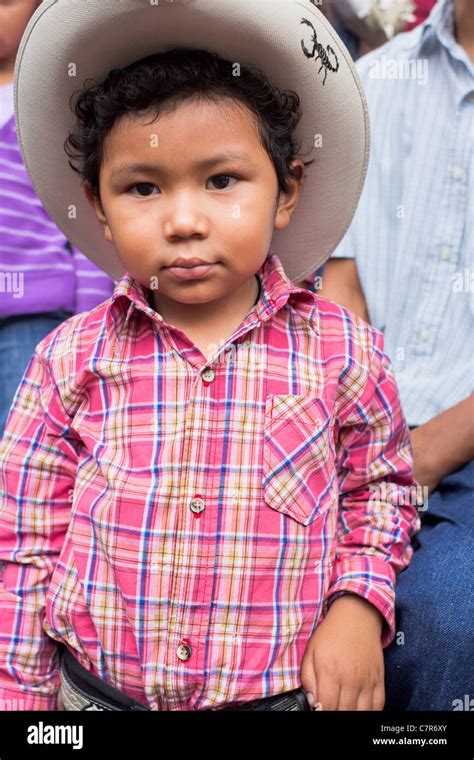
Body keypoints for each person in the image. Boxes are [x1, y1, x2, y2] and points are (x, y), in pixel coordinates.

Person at [0, 0, 421, 712]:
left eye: (221, 181)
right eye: (142, 188)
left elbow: (380, 490)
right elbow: (24, 541)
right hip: (93, 698)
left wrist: (359, 603)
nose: (185, 219)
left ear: (286, 191)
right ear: (98, 207)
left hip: (278, 698)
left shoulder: (345, 352)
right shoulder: (68, 359)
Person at [301, 0, 474, 710]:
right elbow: (341, 283)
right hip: (364, 427)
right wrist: (355, 444)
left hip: (449, 451)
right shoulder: (371, 83)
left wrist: (415, 457)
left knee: (440, 623)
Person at [0, 0, 114, 438]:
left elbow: (82, 217)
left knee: (27, 442)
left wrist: (90, 321)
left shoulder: (49, 101)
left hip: (34, 316)